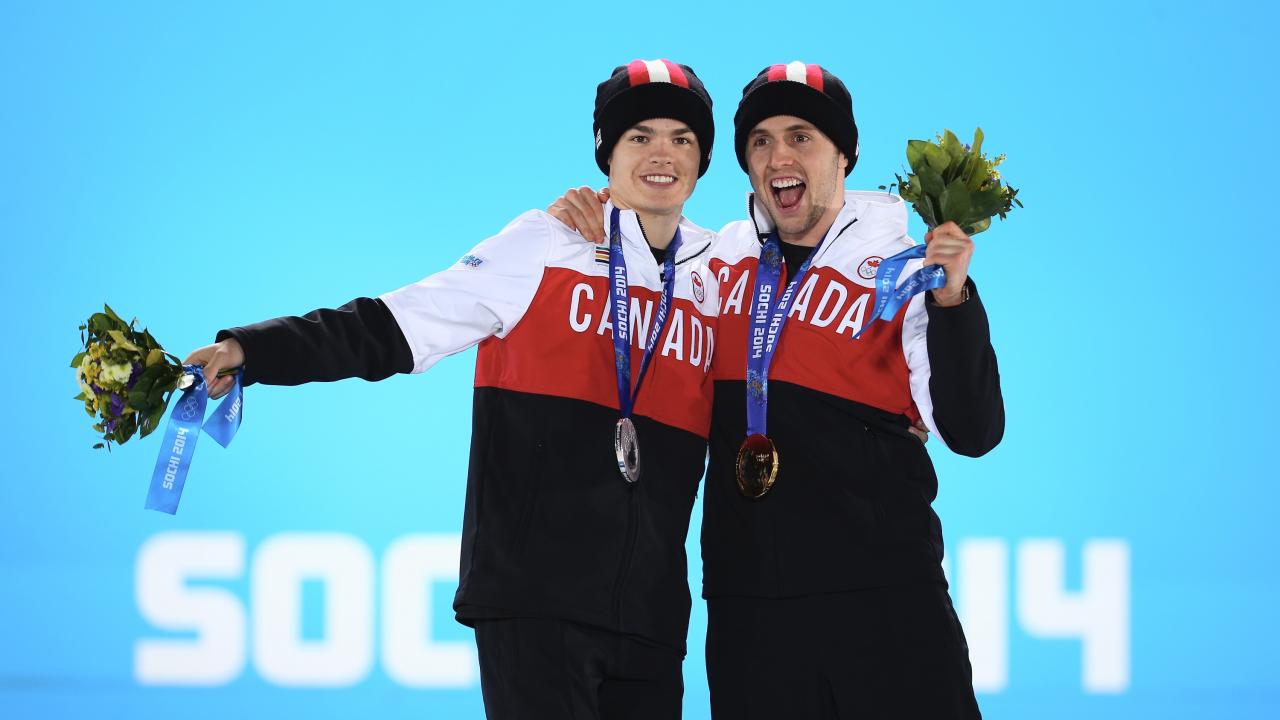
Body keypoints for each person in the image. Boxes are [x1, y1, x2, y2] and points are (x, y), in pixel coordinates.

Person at [185, 59, 721, 720]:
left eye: (681, 138)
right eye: (640, 137)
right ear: (607, 153)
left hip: (649, 618)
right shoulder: (546, 243)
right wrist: (253, 349)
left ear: (702, 159)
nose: (662, 154)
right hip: (536, 600)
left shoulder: (721, 273)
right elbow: (390, 325)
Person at [549, 61, 1005, 719]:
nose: (778, 157)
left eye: (801, 137)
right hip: (751, 613)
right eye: (760, 141)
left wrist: (953, 299)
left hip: (885, 601)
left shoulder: (906, 272)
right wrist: (586, 219)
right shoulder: (710, 263)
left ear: (845, 153)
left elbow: (973, 431)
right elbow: (633, 272)